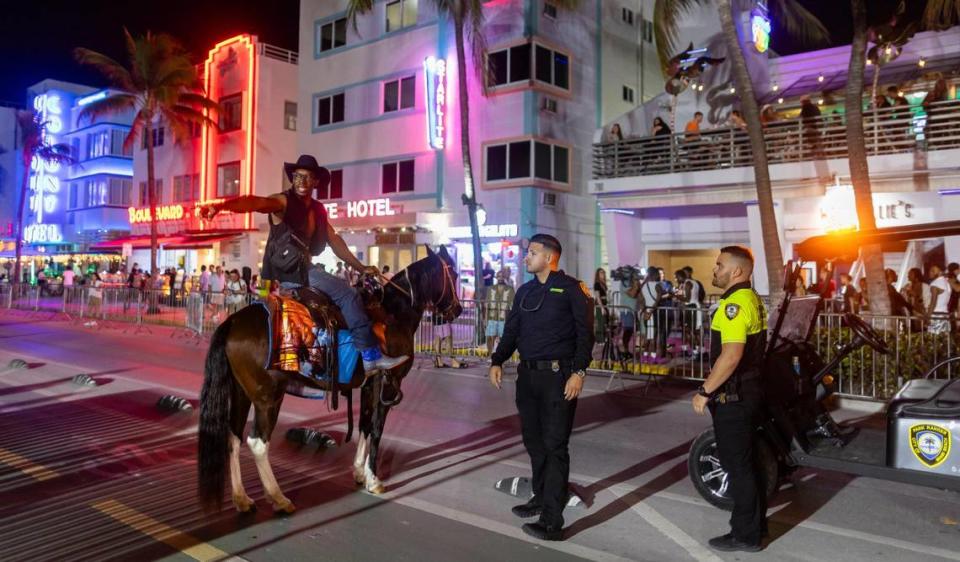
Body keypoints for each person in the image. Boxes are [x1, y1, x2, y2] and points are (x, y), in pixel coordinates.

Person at [200, 154, 407, 372]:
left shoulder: (318, 210)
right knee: (349, 294)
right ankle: (370, 355)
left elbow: (335, 241)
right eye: (297, 176)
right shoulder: (283, 202)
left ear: (316, 181)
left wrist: (361, 268)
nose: (301, 181)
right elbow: (256, 202)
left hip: (305, 271)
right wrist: (222, 205)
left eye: (307, 177)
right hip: (296, 275)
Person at [488, 233, 593, 542]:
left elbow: (586, 335)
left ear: (549, 257)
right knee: (534, 442)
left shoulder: (573, 290)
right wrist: (497, 360)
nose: (525, 257)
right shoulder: (524, 292)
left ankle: (552, 519)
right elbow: (512, 331)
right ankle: (540, 496)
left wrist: (579, 372)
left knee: (555, 445)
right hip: (528, 377)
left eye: (531, 253)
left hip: (559, 377)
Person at [692, 246, 767, 552]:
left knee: (737, 467)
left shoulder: (734, 304)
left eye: (720, 265)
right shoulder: (750, 298)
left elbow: (731, 355)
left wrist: (705, 391)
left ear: (736, 271)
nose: (714, 269)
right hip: (748, 392)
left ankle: (745, 535)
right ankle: (754, 528)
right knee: (747, 464)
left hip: (734, 397)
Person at [485, 270, 516, 355]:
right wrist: (485, 318)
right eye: (498, 276)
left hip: (504, 318)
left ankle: (501, 358)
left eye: (502, 276)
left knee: (503, 339)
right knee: (490, 337)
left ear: (505, 278)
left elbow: (513, 304)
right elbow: (487, 303)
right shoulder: (491, 288)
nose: (500, 278)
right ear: (496, 278)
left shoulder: (510, 289)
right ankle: (491, 355)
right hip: (492, 317)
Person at [928, 263, 960, 334]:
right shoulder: (947, 282)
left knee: (934, 340)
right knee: (944, 341)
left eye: (933, 271)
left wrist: (928, 317)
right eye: (930, 271)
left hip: (935, 315)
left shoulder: (935, 284)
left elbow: (933, 303)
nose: (930, 272)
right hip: (945, 315)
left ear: (940, 272)